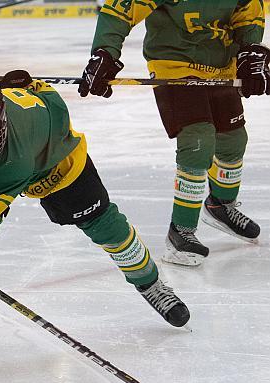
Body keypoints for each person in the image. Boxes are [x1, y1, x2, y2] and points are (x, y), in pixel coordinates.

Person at [0, 77, 191, 373]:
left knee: (106, 226)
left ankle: (151, 283)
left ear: (2, 129)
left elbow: (52, 101)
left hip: (56, 164)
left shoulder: (17, 153)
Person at [79, 0, 268, 266]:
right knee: (197, 140)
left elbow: (248, 13)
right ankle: (181, 232)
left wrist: (251, 49)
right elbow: (121, 11)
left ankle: (220, 206)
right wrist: (105, 53)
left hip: (221, 63)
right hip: (175, 64)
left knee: (234, 140)